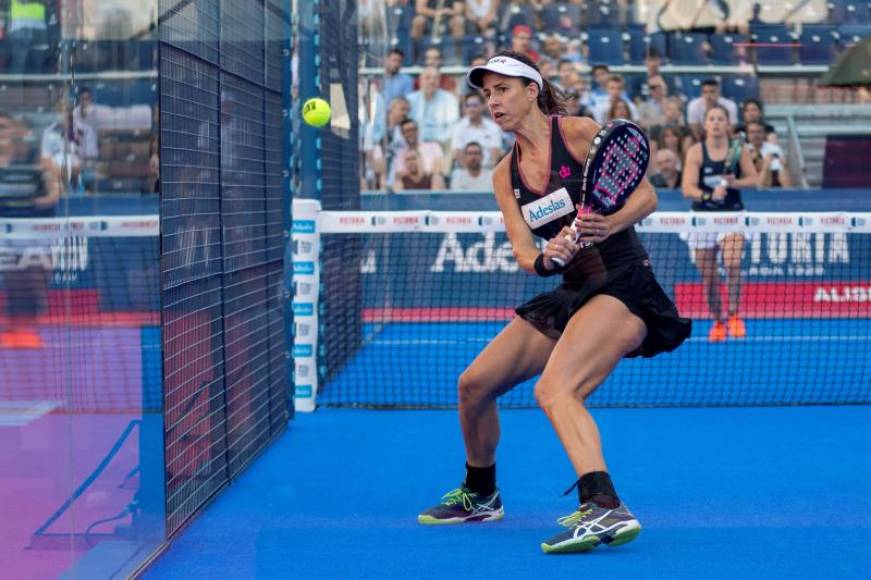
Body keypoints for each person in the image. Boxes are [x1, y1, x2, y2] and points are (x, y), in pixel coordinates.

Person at [417, 51, 691, 554]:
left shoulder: (580, 133)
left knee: (556, 390)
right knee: (474, 385)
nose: (492, 101)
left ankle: (605, 507)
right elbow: (524, 249)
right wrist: (547, 257)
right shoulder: (506, 175)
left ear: (530, 90)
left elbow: (646, 197)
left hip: (624, 284)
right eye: (486, 93)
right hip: (571, 290)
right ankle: (481, 494)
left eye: (502, 90)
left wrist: (609, 223)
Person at [681, 105, 759, 342]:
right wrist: (708, 196)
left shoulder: (739, 149)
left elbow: (753, 179)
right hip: (702, 219)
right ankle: (718, 321)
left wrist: (734, 183)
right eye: (711, 119)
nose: (715, 123)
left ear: (727, 124)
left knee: (733, 263)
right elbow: (687, 188)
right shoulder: (696, 151)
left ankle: (734, 316)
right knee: (709, 277)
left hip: (732, 216)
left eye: (720, 119)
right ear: (705, 125)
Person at [0, 112, 62, 348]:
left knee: (36, 285)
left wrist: (29, 202)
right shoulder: (5, 162)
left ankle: (36, 332)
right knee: (13, 284)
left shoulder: (42, 162)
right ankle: (14, 331)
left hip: (38, 233)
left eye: (19, 133)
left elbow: (55, 194)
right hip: (10, 233)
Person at [448, 92, 504, 169]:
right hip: (464, 170)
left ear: (482, 106)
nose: (471, 109)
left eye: (475, 105)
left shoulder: (493, 127)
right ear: (464, 108)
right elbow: (457, 152)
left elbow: (495, 153)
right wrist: (470, 173)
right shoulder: (458, 127)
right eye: (468, 106)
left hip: (488, 169)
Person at [746, 121, 792, 188]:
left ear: (764, 134)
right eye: (752, 132)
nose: (756, 135)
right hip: (750, 179)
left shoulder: (774, 148)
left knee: (783, 170)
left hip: (770, 178)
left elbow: (777, 169)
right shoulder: (743, 149)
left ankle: (788, 195)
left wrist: (784, 166)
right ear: (747, 135)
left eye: (759, 132)